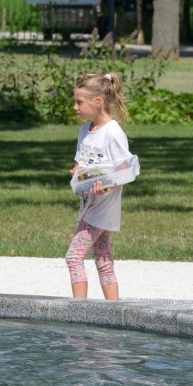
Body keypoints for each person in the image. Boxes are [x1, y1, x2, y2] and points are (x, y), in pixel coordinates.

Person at [66, 72, 132, 300]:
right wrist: (77, 173)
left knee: (73, 257)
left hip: (102, 208)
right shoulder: (85, 131)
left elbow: (126, 171)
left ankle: (78, 313)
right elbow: (81, 164)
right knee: (103, 259)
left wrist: (106, 186)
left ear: (98, 102)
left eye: (79, 102)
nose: (75, 107)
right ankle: (113, 314)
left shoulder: (113, 133)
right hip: (88, 204)